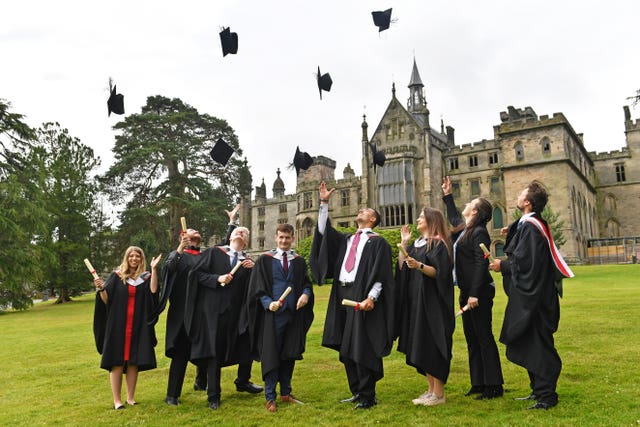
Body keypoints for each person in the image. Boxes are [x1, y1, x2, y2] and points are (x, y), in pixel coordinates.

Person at [309, 181, 395, 410]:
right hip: (341, 292)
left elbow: (382, 276)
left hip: (361, 293)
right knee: (346, 344)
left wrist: (372, 298)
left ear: (373, 219)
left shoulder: (379, 244)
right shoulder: (347, 239)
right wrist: (324, 203)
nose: (361, 210)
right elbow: (323, 232)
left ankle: (368, 395)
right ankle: (357, 391)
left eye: (366, 211)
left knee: (363, 344)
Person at [489, 181, 573, 410]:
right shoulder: (529, 225)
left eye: (521, 194)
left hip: (535, 299)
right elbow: (523, 252)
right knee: (529, 341)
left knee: (539, 344)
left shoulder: (531, 227)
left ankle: (547, 396)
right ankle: (538, 390)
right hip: (535, 296)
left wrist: (503, 266)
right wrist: (513, 230)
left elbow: (526, 263)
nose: (517, 196)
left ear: (527, 202)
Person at [156, 205, 244, 406]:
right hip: (182, 312)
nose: (196, 232)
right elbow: (168, 268)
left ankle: (201, 381)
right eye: (192, 231)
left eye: (197, 232)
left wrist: (231, 223)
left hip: (203, 311)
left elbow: (224, 247)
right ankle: (172, 395)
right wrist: (179, 248)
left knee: (206, 347)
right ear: (183, 236)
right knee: (180, 353)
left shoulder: (206, 255)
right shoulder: (178, 256)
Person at [184, 225, 260, 410]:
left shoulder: (247, 263)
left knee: (246, 344)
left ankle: (243, 381)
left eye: (245, 232)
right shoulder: (214, 253)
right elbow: (196, 275)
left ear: (247, 241)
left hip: (238, 314)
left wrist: (255, 269)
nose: (241, 232)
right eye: (238, 231)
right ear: (231, 236)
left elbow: (256, 288)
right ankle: (214, 395)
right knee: (215, 352)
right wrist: (217, 279)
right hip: (214, 313)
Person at [442, 176, 504, 400]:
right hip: (466, 292)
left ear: (476, 212)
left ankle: (494, 385)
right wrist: (448, 196)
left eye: (471, 204)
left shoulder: (479, 233)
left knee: (484, 337)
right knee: (472, 338)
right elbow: (455, 218)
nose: (467, 205)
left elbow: (481, 264)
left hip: (478, 293)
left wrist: (474, 294)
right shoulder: (465, 231)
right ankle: (478, 382)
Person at [247, 223, 314, 413]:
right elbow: (257, 289)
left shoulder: (299, 261)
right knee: (272, 356)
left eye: (288, 237)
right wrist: (268, 303)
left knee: (289, 354)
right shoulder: (265, 261)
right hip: (272, 317)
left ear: (293, 238)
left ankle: (286, 392)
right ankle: (270, 397)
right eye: (281, 237)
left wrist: (305, 295)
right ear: (275, 238)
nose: (284, 241)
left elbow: (306, 284)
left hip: (293, 316)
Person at [396, 207, 454, 406]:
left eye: (421, 217)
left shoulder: (439, 244)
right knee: (421, 343)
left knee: (433, 344)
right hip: (416, 301)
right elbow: (402, 266)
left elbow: (440, 274)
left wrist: (419, 266)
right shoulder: (416, 244)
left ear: (432, 220)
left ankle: (439, 394)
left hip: (433, 303)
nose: (418, 219)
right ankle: (430, 390)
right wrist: (403, 244)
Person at [93, 246, 162, 410]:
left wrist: (153, 269)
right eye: (131, 256)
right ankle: (117, 400)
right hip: (118, 325)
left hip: (137, 325)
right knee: (117, 361)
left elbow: (154, 292)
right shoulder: (117, 276)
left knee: (133, 362)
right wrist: (101, 288)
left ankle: (130, 398)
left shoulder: (145, 278)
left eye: (137, 256)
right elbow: (106, 299)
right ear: (127, 258)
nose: (134, 258)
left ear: (141, 259)